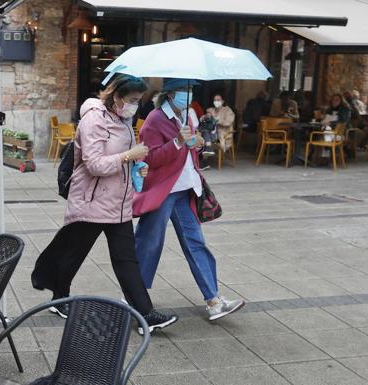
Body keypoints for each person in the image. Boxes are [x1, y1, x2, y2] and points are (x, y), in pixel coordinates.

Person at [31, 74, 178, 334]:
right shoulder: (93, 120)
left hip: (118, 202)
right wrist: (127, 156)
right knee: (73, 251)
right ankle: (58, 295)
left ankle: (146, 314)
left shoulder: (124, 118)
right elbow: (95, 164)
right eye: (132, 100)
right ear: (117, 97)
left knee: (126, 258)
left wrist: (136, 166)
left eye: (138, 101)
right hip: (92, 200)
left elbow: (122, 158)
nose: (135, 105)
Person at [133, 78, 245, 321]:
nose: (189, 94)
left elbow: (190, 150)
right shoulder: (154, 120)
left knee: (196, 243)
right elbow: (150, 158)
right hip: (163, 191)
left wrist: (197, 144)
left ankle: (213, 300)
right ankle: (135, 298)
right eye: (185, 90)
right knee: (149, 244)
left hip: (185, 190)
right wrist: (177, 142)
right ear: (171, 94)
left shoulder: (188, 115)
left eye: (191, 89)